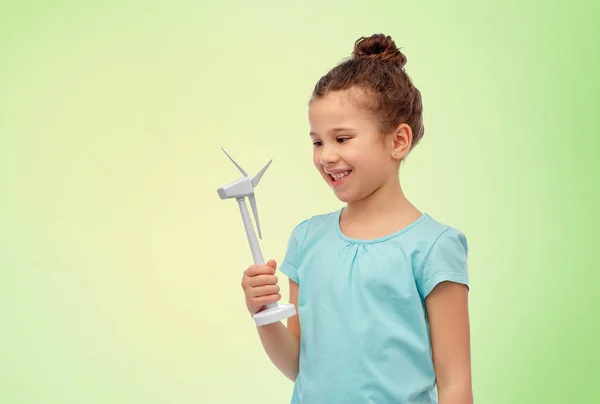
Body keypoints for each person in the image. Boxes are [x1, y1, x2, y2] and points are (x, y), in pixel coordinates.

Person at [241, 33, 473, 404]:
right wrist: (263, 313)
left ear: (398, 141)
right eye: (317, 141)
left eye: (343, 138)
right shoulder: (306, 240)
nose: (326, 156)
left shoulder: (433, 247)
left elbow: (455, 383)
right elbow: (299, 367)